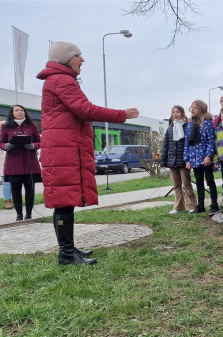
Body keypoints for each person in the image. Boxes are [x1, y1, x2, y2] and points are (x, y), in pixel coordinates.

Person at [37, 41, 139, 265]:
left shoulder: (58, 79)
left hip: (63, 147)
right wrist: (121, 114)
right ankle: (66, 254)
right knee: (63, 201)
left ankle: (69, 249)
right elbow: (85, 109)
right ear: (65, 58)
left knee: (65, 200)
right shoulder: (61, 79)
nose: (82, 60)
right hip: (64, 149)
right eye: (78, 55)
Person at [0, 105, 41, 221]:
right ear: (12, 113)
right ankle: (19, 214)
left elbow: (39, 141)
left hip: (29, 162)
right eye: (16, 110)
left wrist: (33, 146)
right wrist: (6, 146)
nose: (19, 112)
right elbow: (1, 143)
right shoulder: (6, 127)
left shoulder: (32, 126)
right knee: (16, 190)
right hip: (13, 163)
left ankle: (28, 213)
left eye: (21, 110)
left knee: (29, 189)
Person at [160, 105, 197, 214]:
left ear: (182, 114)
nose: (175, 114)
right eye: (173, 112)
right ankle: (178, 207)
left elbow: (190, 145)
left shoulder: (187, 127)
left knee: (186, 183)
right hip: (172, 161)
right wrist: (163, 160)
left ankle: (192, 206)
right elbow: (165, 146)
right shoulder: (170, 129)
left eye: (177, 112)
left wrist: (189, 159)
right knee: (176, 185)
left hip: (184, 161)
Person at [184, 100, 219, 215]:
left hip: (205, 157)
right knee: (199, 182)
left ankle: (214, 204)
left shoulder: (208, 123)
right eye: (191, 107)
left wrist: (208, 155)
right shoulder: (190, 125)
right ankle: (201, 205)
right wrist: (187, 159)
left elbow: (211, 141)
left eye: (195, 107)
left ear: (201, 109)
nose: (192, 110)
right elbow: (187, 143)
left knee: (209, 181)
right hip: (194, 158)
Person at [0, 121, 13, 209]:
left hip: (14, 161)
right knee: (6, 183)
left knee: (15, 183)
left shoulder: (11, 133)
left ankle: (15, 200)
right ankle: (7, 201)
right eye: (0, 126)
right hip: (3, 161)